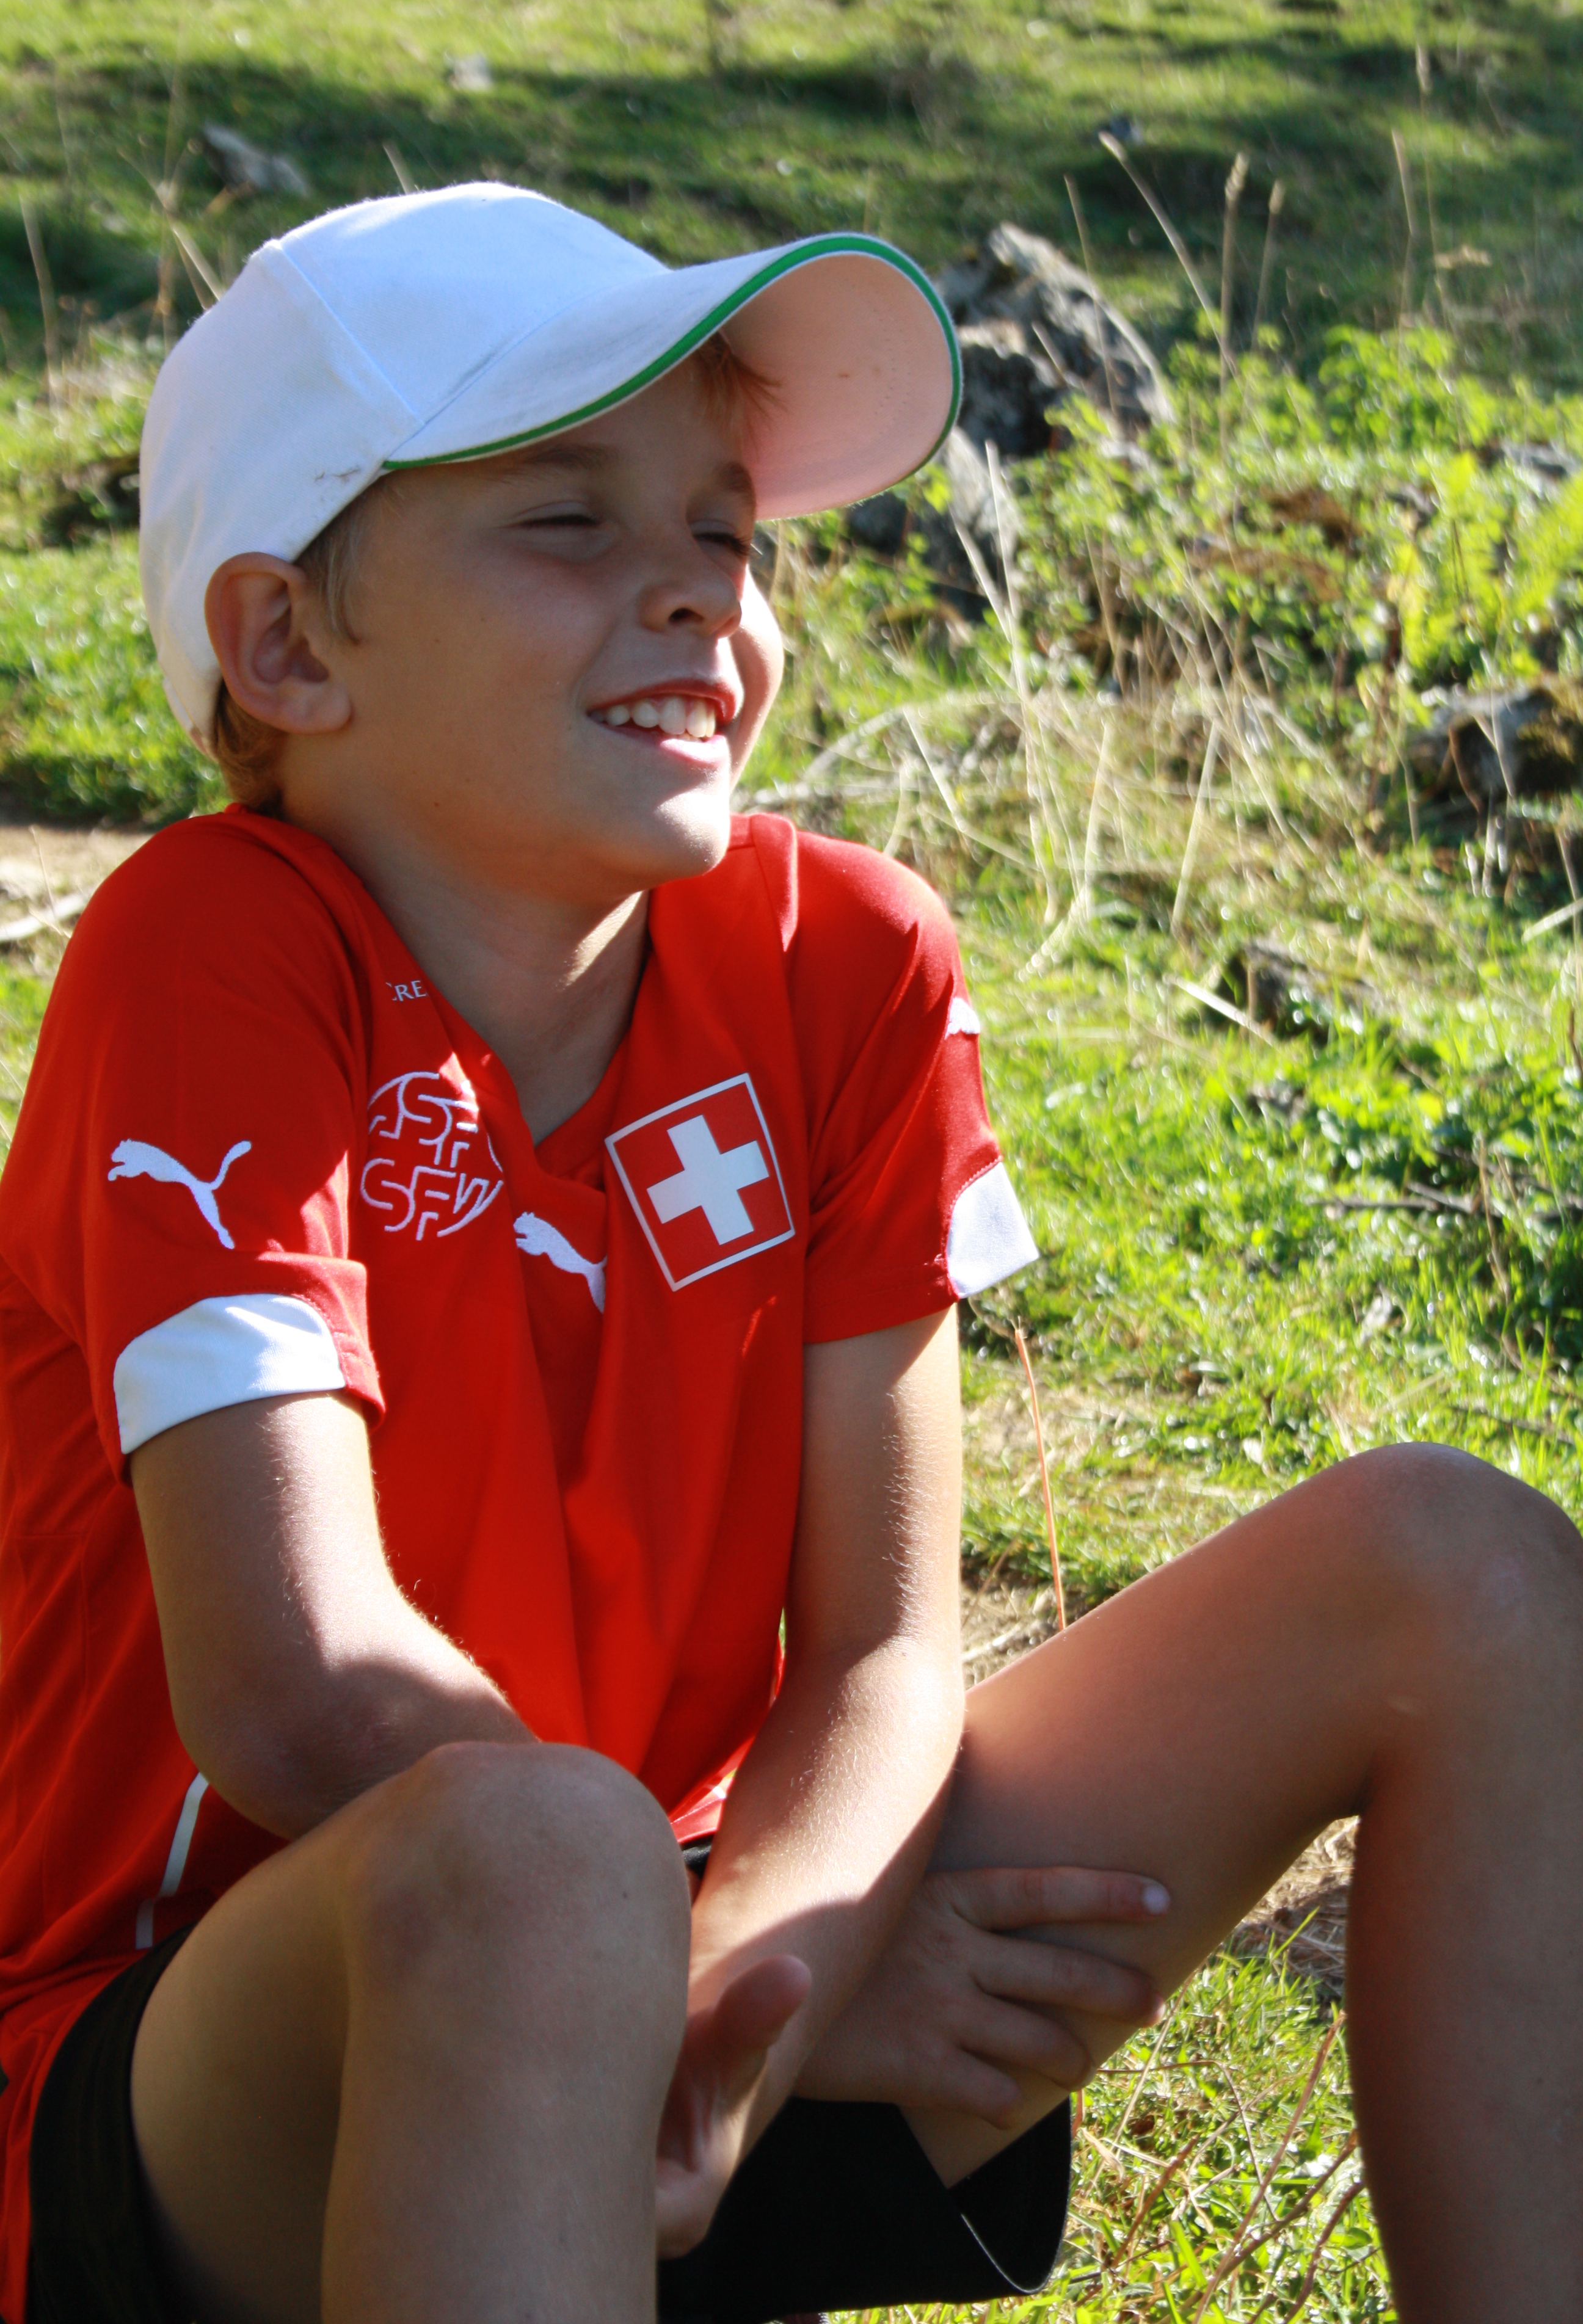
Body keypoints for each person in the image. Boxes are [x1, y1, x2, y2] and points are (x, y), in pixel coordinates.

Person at [0, 182, 1579, 2324]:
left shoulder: (848, 964)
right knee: (538, 1856)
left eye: (728, 532)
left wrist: (782, 1958)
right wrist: (683, 1957)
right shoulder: (206, 952)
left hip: (712, 1953)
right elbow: (295, 1683)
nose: (695, 595)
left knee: (1459, 1572)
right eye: (567, 524)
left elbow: (881, 1651)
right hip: (203, 2077)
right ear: (287, 643)